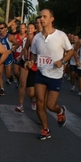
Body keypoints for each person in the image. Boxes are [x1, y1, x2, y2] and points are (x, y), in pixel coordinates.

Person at [28, 9, 73, 140]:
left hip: (55, 76)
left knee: (50, 105)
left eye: (44, 17)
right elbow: (34, 55)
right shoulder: (36, 38)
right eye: (40, 17)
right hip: (41, 73)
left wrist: (63, 61)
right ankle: (45, 129)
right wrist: (31, 62)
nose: (42, 19)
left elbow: (70, 51)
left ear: (51, 19)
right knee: (39, 102)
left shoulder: (61, 35)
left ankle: (60, 111)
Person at [0, 22, 19, 96]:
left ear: (6, 28)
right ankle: (2, 90)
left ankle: (11, 78)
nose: (0, 30)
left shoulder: (10, 37)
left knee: (8, 74)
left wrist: (11, 50)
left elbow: (17, 44)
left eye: (2, 28)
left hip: (8, 57)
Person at [12, 23, 27, 89]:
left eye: (23, 28)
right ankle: (18, 80)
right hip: (16, 57)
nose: (22, 30)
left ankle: (22, 83)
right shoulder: (15, 36)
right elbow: (12, 45)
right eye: (20, 28)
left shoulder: (27, 37)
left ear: (25, 29)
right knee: (15, 72)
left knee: (23, 74)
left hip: (24, 58)